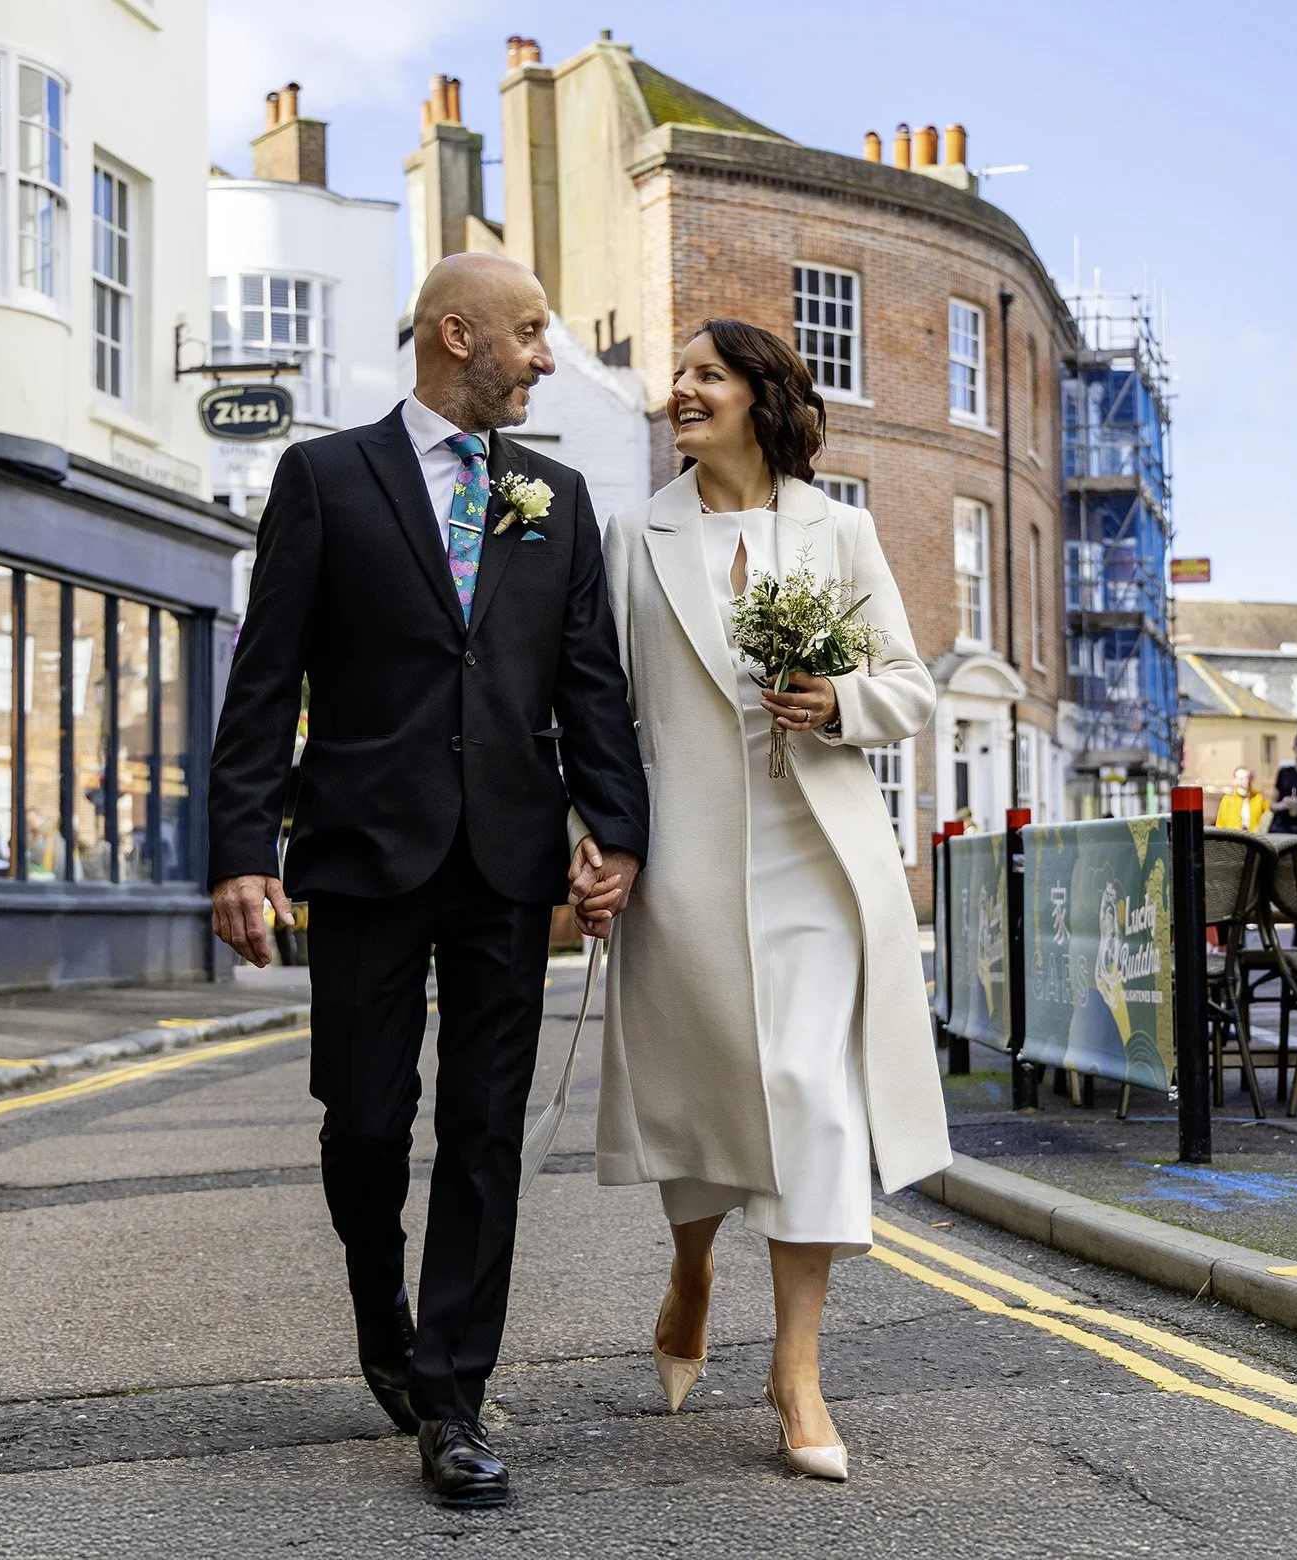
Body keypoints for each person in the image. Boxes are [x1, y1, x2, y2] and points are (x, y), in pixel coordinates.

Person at [207, 253, 649, 1510]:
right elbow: (264, 677)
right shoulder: (324, 479)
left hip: (508, 863)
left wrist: (614, 835)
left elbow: (590, 691)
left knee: (484, 1134)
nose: (547, 359)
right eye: (530, 335)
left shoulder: (555, 498)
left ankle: (454, 1394)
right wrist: (244, 850)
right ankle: (379, 1309)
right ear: (460, 336)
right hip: (361, 852)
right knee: (363, 1121)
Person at [570, 320, 950, 1482]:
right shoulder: (633, 535)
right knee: (707, 1091)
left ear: (758, 398)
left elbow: (911, 687)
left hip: (816, 857)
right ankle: (691, 1269)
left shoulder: (841, 531)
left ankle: (797, 1372)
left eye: (706, 376)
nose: (681, 391)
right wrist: (598, 842)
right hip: (681, 857)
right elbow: (602, 714)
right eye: (678, 377)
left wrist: (837, 700)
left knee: (812, 1098)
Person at [1214, 766, 1268, 831]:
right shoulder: (1228, 799)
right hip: (1233, 837)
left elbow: (1269, 814)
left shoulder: (1259, 797)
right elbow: (1220, 823)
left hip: (1254, 837)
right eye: (1242, 778)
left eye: (1247, 777)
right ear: (1235, 780)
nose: (1246, 780)